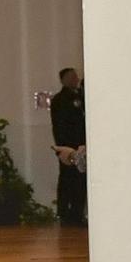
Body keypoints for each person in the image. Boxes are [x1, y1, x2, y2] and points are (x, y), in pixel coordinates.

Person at [51, 66, 86, 225]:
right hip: (67, 147)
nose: (76, 79)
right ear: (64, 80)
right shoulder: (60, 99)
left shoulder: (81, 96)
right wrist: (64, 148)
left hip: (80, 146)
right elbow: (60, 125)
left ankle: (77, 213)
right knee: (67, 180)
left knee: (80, 181)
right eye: (72, 76)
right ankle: (65, 214)